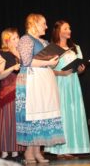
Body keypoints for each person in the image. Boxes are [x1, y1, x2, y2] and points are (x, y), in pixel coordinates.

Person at [15, 13, 65, 164]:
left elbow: (50, 63)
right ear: (34, 23)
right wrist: (47, 62)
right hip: (32, 81)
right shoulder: (25, 39)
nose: (46, 26)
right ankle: (29, 152)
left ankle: (37, 151)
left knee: (42, 115)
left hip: (44, 81)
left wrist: (54, 61)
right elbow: (26, 61)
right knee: (33, 114)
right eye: (43, 23)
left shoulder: (43, 42)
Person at [44, 20, 90, 158]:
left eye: (69, 28)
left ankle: (72, 146)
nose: (69, 30)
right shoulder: (52, 48)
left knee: (73, 113)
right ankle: (59, 150)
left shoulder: (76, 47)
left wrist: (81, 69)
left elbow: (80, 67)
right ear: (58, 31)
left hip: (73, 84)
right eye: (66, 28)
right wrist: (61, 73)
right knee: (62, 114)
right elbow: (46, 69)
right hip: (59, 83)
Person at [0, 28, 25, 161]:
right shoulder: (2, 54)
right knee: (6, 122)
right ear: (7, 41)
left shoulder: (20, 54)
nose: (17, 40)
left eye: (18, 37)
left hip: (20, 91)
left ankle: (16, 150)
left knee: (16, 122)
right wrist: (12, 68)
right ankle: (5, 151)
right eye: (14, 38)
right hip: (7, 92)